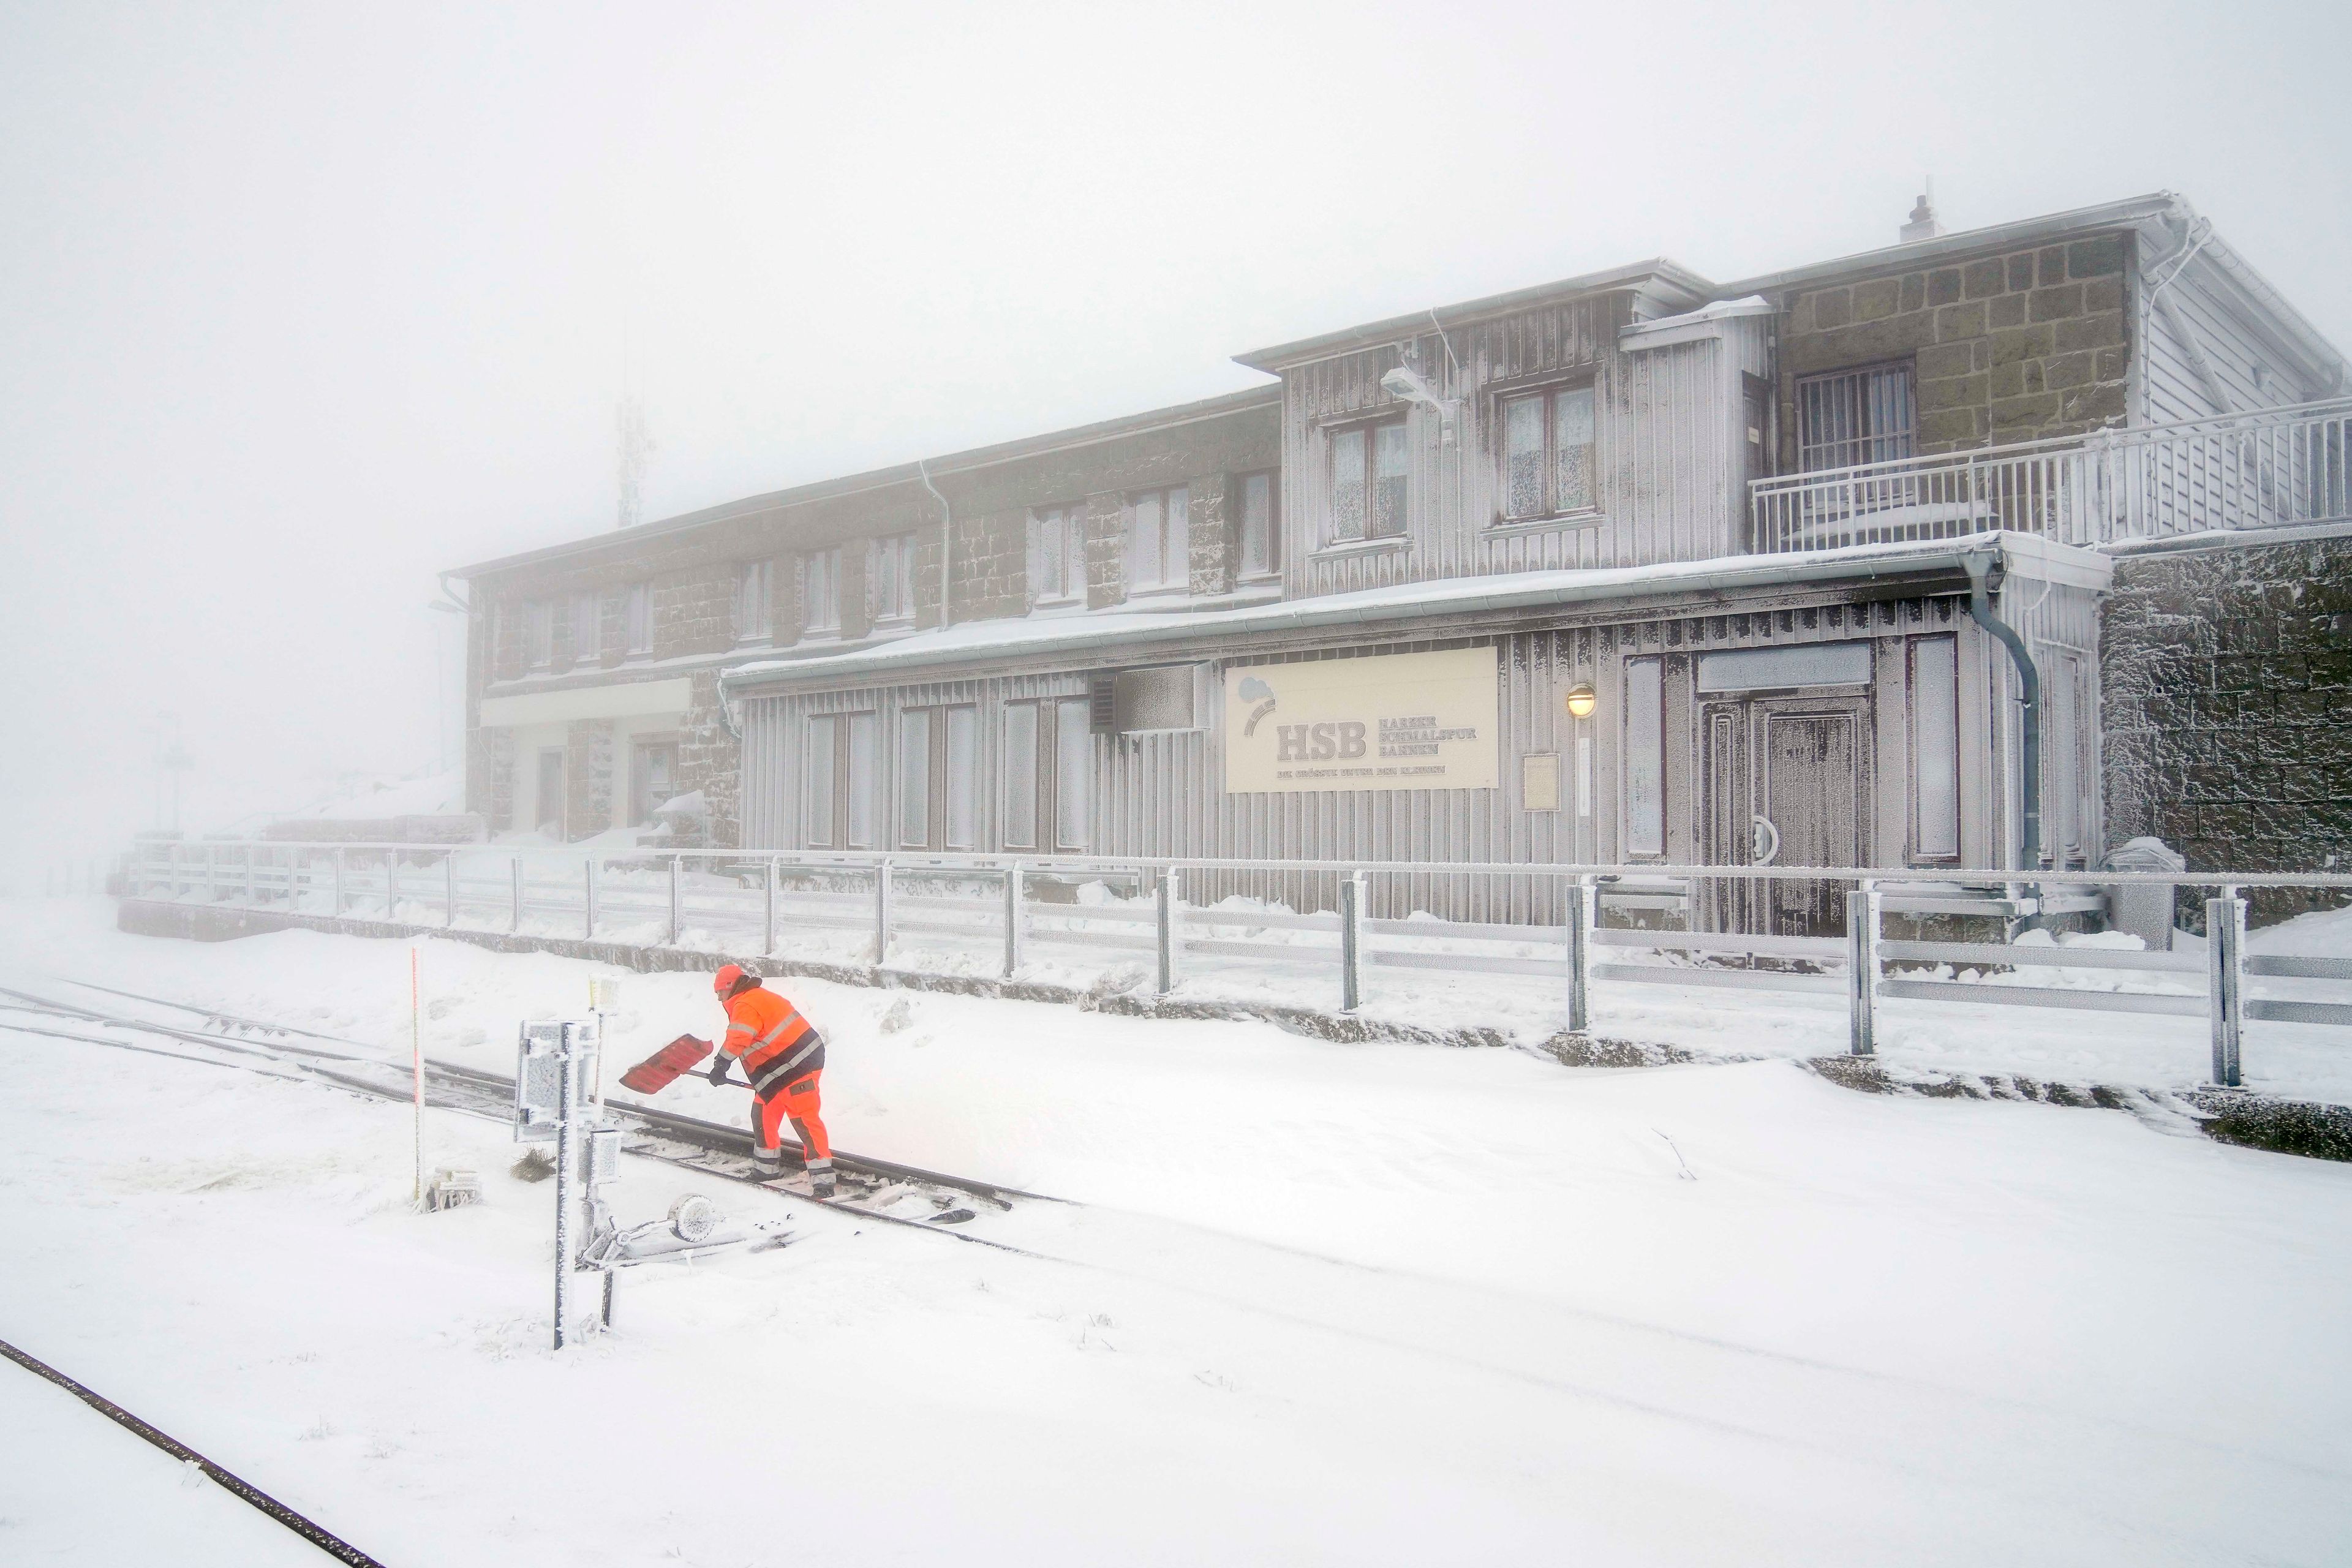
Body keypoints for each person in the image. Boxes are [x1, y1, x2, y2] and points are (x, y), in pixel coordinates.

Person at [707, 963, 832, 1196]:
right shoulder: (752, 999)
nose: (718, 999)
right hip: (778, 1072)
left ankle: (823, 1182)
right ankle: (766, 1171)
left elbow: (739, 1038)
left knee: (804, 1120)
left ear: (729, 987)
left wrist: (721, 1064)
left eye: (719, 993)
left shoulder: (745, 1003)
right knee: (763, 1113)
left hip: (798, 1066)